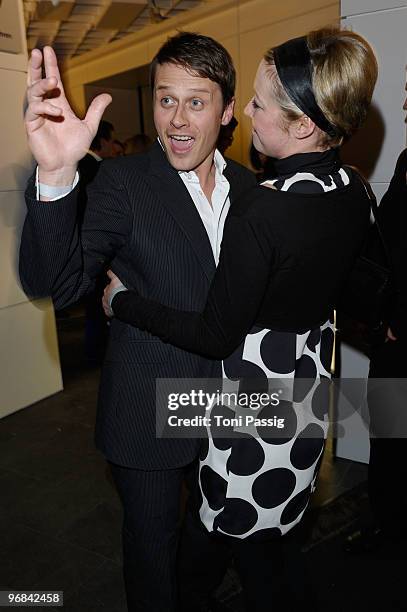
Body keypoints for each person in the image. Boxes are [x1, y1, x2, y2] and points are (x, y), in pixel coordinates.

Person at [103, 27, 378, 611]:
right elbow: (366, 292)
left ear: (302, 124)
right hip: (306, 392)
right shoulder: (353, 188)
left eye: (256, 104)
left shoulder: (261, 207)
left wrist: (122, 302)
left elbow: (213, 335)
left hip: (249, 406)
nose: (242, 114)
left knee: (217, 540)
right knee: (271, 535)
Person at [19, 32, 256, 612]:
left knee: (218, 535)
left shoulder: (251, 188)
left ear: (227, 111)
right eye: (164, 99)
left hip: (230, 404)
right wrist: (54, 177)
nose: (176, 119)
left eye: (196, 102)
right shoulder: (123, 184)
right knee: (153, 548)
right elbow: (58, 284)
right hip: (147, 405)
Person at [345, 87, 407, 554]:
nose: (404, 104)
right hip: (391, 336)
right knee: (388, 437)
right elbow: (387, 243)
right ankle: (388, 524)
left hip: (399, 335)